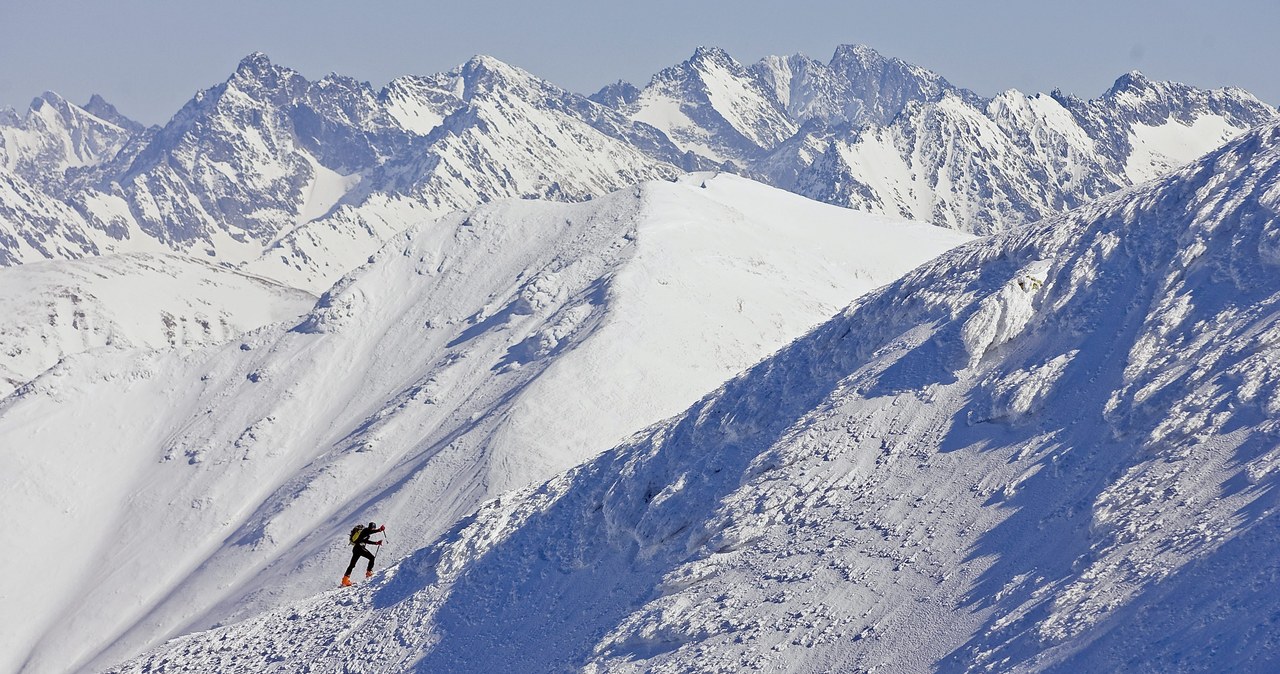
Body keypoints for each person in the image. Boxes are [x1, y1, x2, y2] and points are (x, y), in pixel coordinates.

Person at [341, 521, 385, 586]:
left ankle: (345, 580)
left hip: (356, 549)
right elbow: (370, 532)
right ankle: (369, 572)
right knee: (372, 558)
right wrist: (379, 530)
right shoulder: (366, 530)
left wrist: (376, 543)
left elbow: (366, 541)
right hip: (360, 548)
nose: (372, 529)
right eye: (373, 528)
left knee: (352, 565)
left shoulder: (365, 533)